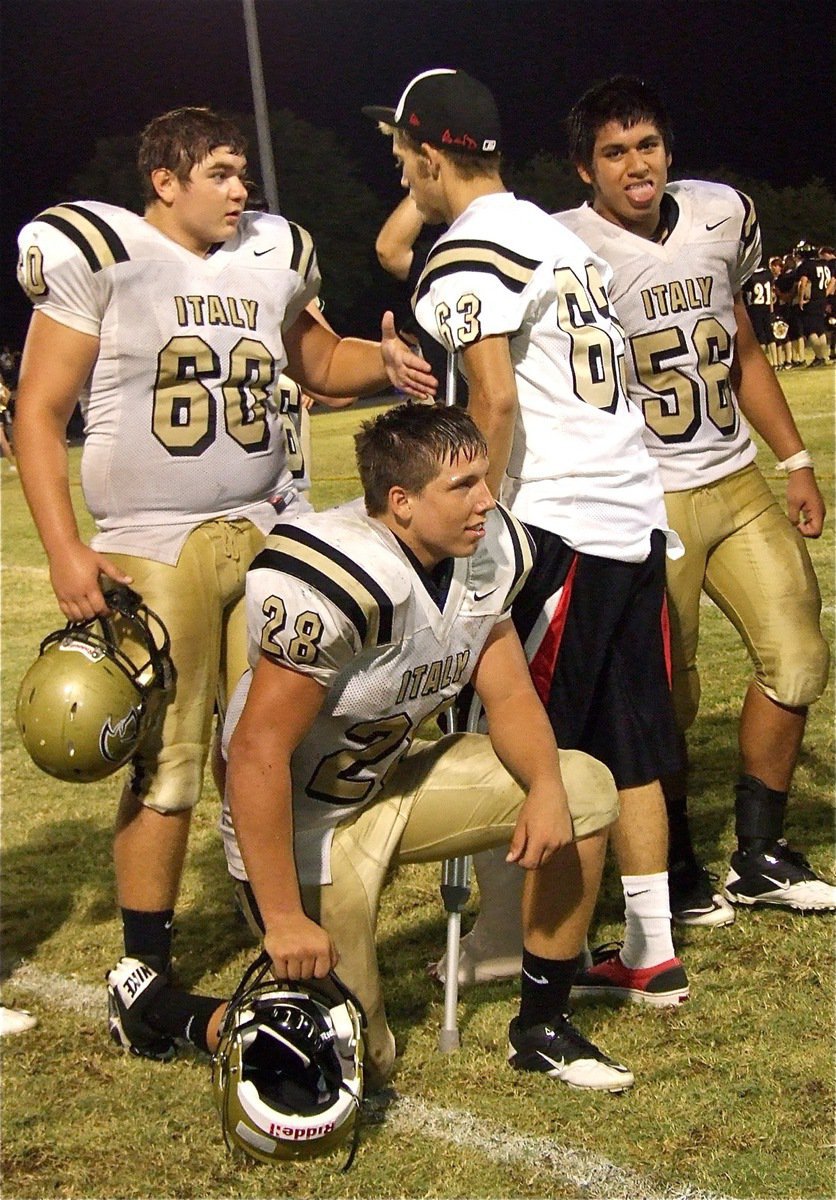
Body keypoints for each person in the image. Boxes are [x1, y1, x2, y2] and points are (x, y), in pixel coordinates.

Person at [14, 105, 436, 1055]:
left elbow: (317, 363)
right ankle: (144, 973)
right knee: (166, 761)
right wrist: (65, 548)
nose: (242, 190)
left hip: (265, 529)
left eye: (242, 173)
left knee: (269, 743)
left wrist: (384, 362)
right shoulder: (104, 252)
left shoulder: (273, 254)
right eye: (220, 173)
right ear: (164, 181)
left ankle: (283, 926)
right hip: (153, 542)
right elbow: (38, 410)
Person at [107, 403, 633, 1094]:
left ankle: (542, 1027)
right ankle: (159, 1009)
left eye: (483, 478)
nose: (486, 499)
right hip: (303, 828)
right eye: (463, 486)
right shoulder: (335, 578)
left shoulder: (487, 550)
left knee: (581, 784)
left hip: (389, 782)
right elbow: (256, 752)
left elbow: (508, 695)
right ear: (402, 501)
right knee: (346, 1064)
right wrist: (285, 919)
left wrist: (543, 786)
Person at [365, 69, 690, 1008]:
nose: (401, 176)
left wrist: (469, 523)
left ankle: (510, 942)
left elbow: (495, 399)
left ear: (432, 158)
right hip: (630, 515)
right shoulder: (551, 233)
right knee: (630, 741)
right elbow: (407, 241)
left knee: (523, 744)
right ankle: (650, 948)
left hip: (558, 522)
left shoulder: (471, 248)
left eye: (405, 158)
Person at [555, 75, 833, 921]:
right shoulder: (561, 248)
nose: (635, 165)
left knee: (798, 658)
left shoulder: (721, 214)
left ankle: (759, 853)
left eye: (646, 145)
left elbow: (741, 346)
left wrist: (795, 460)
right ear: (585, 168)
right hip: (644, 499)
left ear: (668, 150)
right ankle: (671, 860)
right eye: (613, 152)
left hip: (734, 477)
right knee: (664, 695)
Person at [796, 243, 833, 367]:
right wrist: (824, 294)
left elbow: (803, 282)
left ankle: (820, 357)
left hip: (812, 300)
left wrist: (801, 298)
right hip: (822, 299)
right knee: (820, 329)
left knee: (810, 329)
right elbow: (830, 281)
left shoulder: (806, 265)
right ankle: (822, 356)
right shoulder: (824, 264)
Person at [742, 261, 777, 368]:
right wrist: (771, 309)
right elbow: (771, 291)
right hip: (767, 306)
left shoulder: (751, 276)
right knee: (770, 335)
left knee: (760, 335)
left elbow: (746, 291)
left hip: (756, 307)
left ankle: (763, 363)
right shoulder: (768, 274)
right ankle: (775, 362)